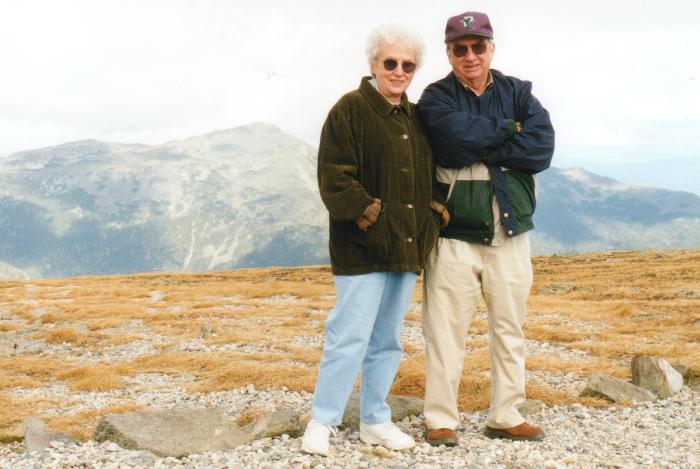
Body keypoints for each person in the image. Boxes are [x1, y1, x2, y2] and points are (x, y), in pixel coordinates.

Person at [301, 23, 449, 456]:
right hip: (362, 248)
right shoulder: (348, 109)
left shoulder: (415, 117)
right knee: (348, 337)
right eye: (391, 63)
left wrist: (433, 212)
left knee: (387, 340)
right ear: (373, 64)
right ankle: (322, 421)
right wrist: (370, 213)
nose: (399, 71)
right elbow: (334, 177)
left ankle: (375, 421)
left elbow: (429, 175)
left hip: (405, 247)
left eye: (408, 65)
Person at [416, 11, 555, 446]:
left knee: (510, 327)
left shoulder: (519, 91)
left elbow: (541, 147)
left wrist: (479, 140)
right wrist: (509, 129)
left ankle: (506, 414)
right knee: (445, 332)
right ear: (449, 53)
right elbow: (452, 141)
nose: (470, 55)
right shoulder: (435, 98)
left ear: (491, 47)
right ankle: (441, 418)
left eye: (478, 46)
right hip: (453, 235)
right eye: (460, 48)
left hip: (509, 232)